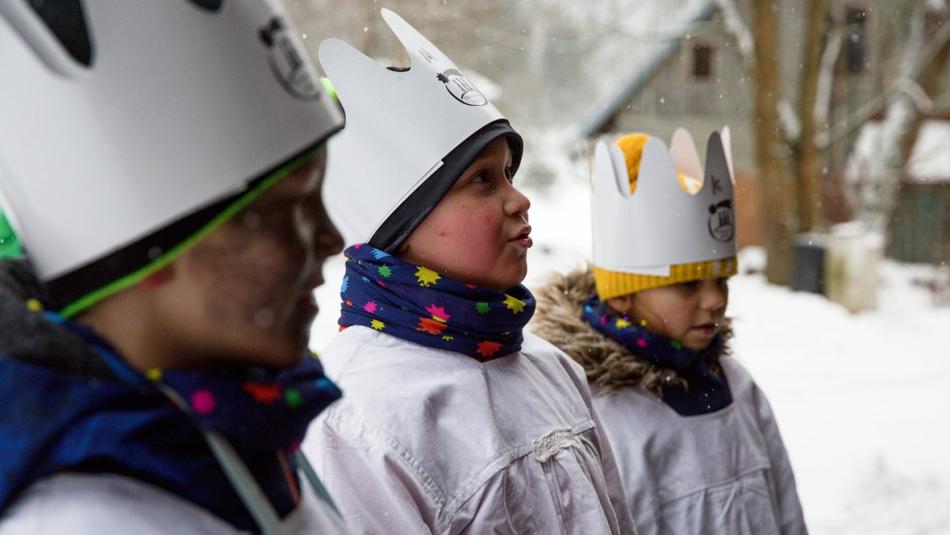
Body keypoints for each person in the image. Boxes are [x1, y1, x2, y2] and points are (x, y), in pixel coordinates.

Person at [0, 1, 350, 533]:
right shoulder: (88, 522)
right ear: (157, 251)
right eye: (289, 210)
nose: (333, 239)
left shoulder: (250, 426)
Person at [303, 9, 632, 534]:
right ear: (401, 224)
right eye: (482, 180)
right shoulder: (356, 417)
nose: (519, 198)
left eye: (508, 172)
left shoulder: (551, 368)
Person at [531, 131, 808, 535]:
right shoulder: (598, 412)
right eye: (688, 284)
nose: (715, 300)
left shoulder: (737, 386)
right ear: (623, 295)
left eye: (722, 281)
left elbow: (784, 506)